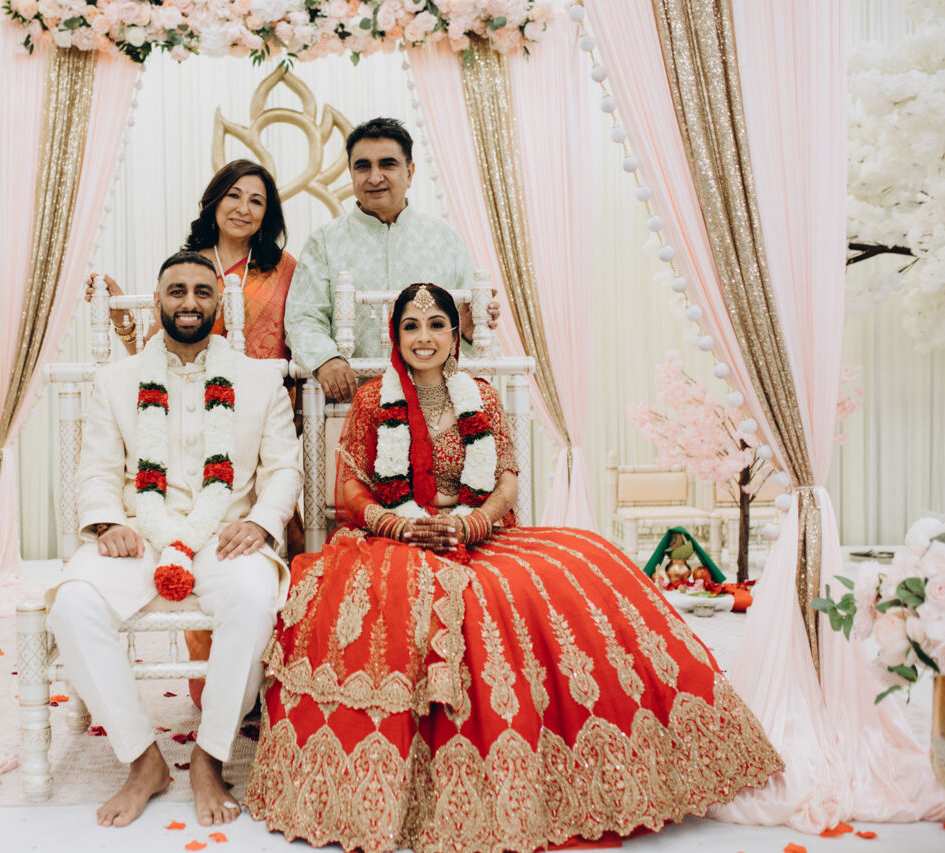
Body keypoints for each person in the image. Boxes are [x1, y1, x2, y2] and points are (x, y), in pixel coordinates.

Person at [245, 283, 782, 852]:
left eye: (435, 324)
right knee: (394, 603)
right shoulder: (374, 399)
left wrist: (475, 523)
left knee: (585, 563)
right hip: (395, 537)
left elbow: (505, 477)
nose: (423, 337)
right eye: (410, 326)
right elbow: (351, 486)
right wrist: (399, 525)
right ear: (394, 336)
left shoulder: (480, 395)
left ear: (455, 334)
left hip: (478, 531)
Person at [48, 251, 302, 829]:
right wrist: (107, 522)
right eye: (177, 291)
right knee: (73, 604)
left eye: (201, 292)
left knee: (253, 598)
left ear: (218, 304)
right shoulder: (115, 381)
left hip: (225, 537)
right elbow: (96, 470)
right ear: (158, 300)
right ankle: (143, 761)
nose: (189, 302)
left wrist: (261, 522)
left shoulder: (260, 379)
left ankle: (210, 757)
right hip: (139, 534)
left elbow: (284, 469)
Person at [284, 117, 501, 402]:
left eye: (387, 164)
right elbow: (303, 317)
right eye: (363, 166)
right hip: (351, 404)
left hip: (434, 405)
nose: (374, 177)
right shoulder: (325, 241)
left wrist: (470, 333)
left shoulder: (444, 239)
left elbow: (468, 329)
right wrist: (326, 359)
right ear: (351, 173)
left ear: (409, 173)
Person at [93, 159, 296, 361]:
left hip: (272, 380)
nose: (243, 209)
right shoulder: (184, 269)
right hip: (198, 381)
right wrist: (121, 317)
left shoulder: (285, 268)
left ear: (266, 214)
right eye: (234, 195)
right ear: (215, 201)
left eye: (256, 201)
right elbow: (150, 357)